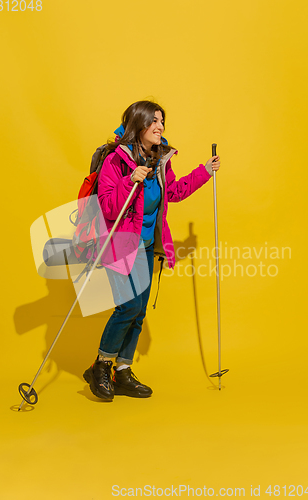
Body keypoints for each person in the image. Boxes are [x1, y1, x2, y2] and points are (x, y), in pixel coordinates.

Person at [83, 100, 221, 401]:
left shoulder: (161, 158)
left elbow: (173, 192)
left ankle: (122, 370)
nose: (160, 127)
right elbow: (106, 205)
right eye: (154, 121)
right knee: (128, 307)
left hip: (145, 244)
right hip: (119, 242)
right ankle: (101, 366)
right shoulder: (116, 161)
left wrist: (204, 172)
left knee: (140, 310)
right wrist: (128, 180)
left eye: (162, 122)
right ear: (138, 125)